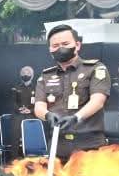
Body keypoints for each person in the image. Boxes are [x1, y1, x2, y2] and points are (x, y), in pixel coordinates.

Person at [33, 24, 111, 163]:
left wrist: (76, 117)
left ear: (77, 45)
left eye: (65, 43)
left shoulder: (95, 68)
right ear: (50, 49)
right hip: (58, 144)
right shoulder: (46, 76)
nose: (60, 48)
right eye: (55, 45)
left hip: (89, 145)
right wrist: (48, 115)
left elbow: (98, 101)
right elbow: (39, 106)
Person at [10, 65, 36, 155]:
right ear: (20, 75)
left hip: (32, 115)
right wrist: (19, 109)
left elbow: (40, 102)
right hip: (18, 115)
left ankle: (33, 160)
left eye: (28, 73)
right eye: (23, 73)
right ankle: (13, 160)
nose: (25, 74)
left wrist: (31, 110)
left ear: (32, 75)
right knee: (15, 137)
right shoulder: (15, 87)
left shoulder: (37, 87)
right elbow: (12, 101)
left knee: (32, 137)